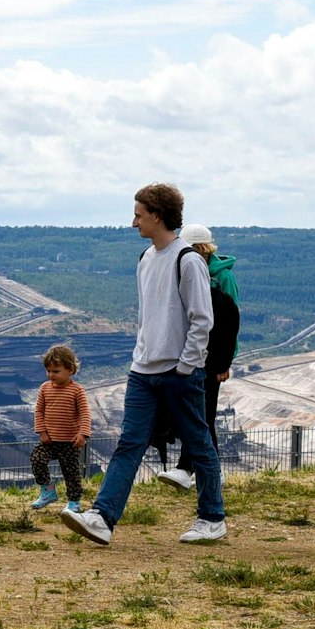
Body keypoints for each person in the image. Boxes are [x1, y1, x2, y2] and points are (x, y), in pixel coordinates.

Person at [62, 183, 226, 546]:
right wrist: (142, 356)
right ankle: (102, 518)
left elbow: (202, 320)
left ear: (157, 215)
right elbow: (148, 316)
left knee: (198, 443)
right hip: (143, 371)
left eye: (138, 214)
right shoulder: (145, 258)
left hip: (178, 373)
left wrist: (186, 366)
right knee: (129, 443)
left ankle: (212, 518)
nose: (133, 221)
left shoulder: (188, 260)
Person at [155, 223, 240, 492]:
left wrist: (226, 362)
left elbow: (230, 322)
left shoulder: (222, 278)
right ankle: (201, 470)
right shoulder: (189, 271)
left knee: (203, 415)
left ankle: (192, 469)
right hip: (192, 354)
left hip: (212, 356)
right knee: (196, 414)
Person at [28, 344, 91, 514]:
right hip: (49, 440)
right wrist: (42, 432)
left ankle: (74, 502)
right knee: (37, 459)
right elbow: (39, 411)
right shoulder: (45, 388)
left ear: (70, 369)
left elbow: (85, 414)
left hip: (70, 442)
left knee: (71, 473)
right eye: (48, 371)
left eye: (55, 371)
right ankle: (47, 492)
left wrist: (83, 434)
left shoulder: (77, 390)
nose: (50, 375)